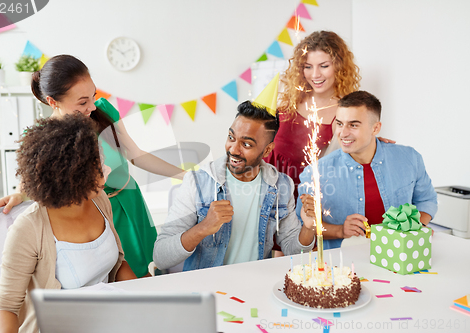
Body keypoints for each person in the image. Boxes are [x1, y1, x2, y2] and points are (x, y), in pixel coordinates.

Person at [0, 55, 186, 277]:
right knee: (110, 279)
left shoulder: (103, 112)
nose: (91, 106)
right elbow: (32, 183)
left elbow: (136, 155)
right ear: (53, 101)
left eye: (93, 96)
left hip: (130, 202)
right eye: (82, 102)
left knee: (144, 274)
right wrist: (19, 196)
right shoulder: (43, 137)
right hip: (94, 214)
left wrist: (184, 174)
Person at [0, 114, 137, 333]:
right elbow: (6, 308)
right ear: (74, 175)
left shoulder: (100, 200)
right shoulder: (28, 229)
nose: (106, 170)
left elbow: (119, 265)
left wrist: (144, 299)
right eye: (99, 165)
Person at [153, 101, 315, 271]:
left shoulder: (281, 185)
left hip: (253, 284)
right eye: (231, 137)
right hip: (206, 288)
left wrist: (308, 228)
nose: (233, 149)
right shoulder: (197, 182)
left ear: (267, 151)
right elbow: (161, 257)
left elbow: (294, 251)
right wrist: (203, 228)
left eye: (246, 144)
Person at [296, 91, 438, 249]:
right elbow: (303, 226)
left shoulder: (409, 158)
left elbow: (427, 201)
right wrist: (340, 230)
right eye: (340, 123)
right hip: (345, 265)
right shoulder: (316, 172)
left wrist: (414, 229)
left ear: (375, 128)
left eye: (353, 125)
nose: (342, 133)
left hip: (401, 256)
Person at [263, 31, 362, 200]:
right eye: (308, 67)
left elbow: (352, 158)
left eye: (324, 66)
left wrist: (374, 142)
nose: (315, 75)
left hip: (307, 201)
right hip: (267, 195)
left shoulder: (345, 113)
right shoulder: (287, 102)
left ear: (339, 66)